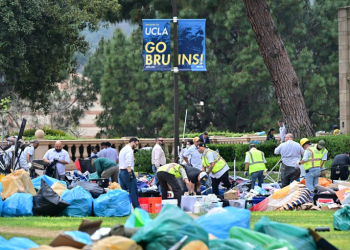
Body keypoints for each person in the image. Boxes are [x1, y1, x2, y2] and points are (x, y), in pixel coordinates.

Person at [118, 137, 140, 208]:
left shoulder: (123, 149)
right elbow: (128, 162)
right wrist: (130, 173)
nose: (136, 146)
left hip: (121, 172)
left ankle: (124, 208)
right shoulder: (129, 150)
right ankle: (137, 207)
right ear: (133, 142)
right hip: (127, 172)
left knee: (123, 192)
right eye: (136, 144)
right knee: (133, 191)